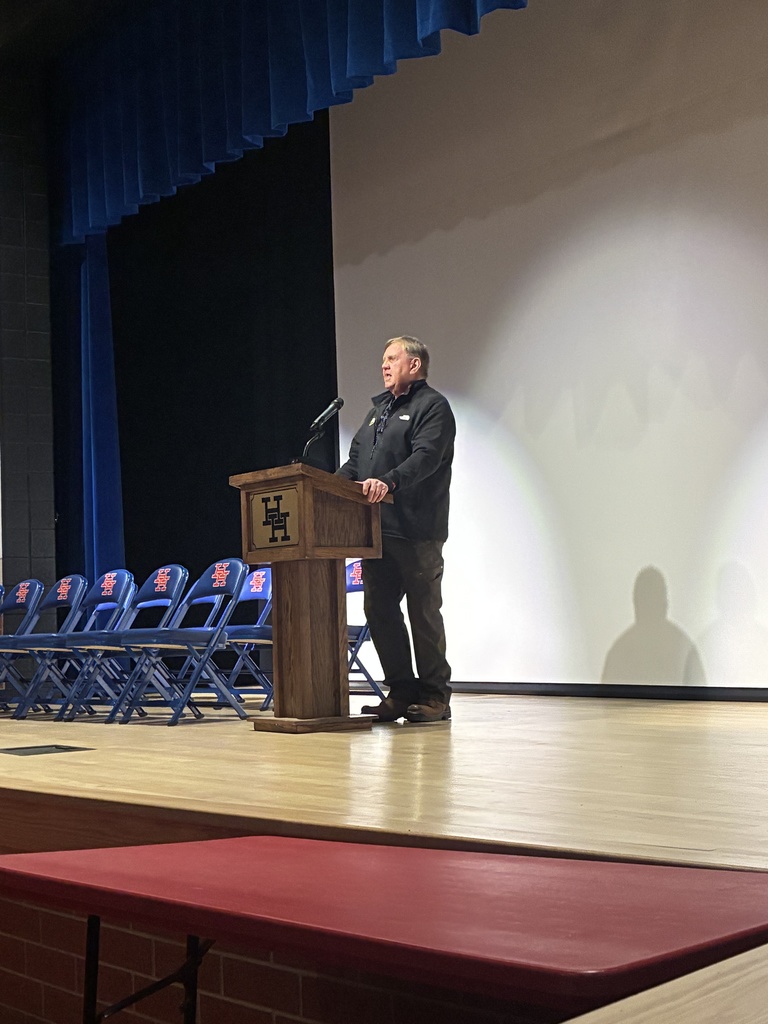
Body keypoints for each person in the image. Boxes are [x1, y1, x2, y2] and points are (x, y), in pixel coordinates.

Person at [337, 336, 455, 723]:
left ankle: (436, 697)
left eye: (392, 358)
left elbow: (426, 458)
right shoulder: (377, 412)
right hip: (376, 532)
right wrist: (330, 489)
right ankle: (401, 692)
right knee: (379, 610)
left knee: (423, 613)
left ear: (415, 364)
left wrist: (388, 481)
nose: (384, 365)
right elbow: (355, 462)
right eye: (383, 360)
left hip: (418, 528)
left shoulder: (432, 406)